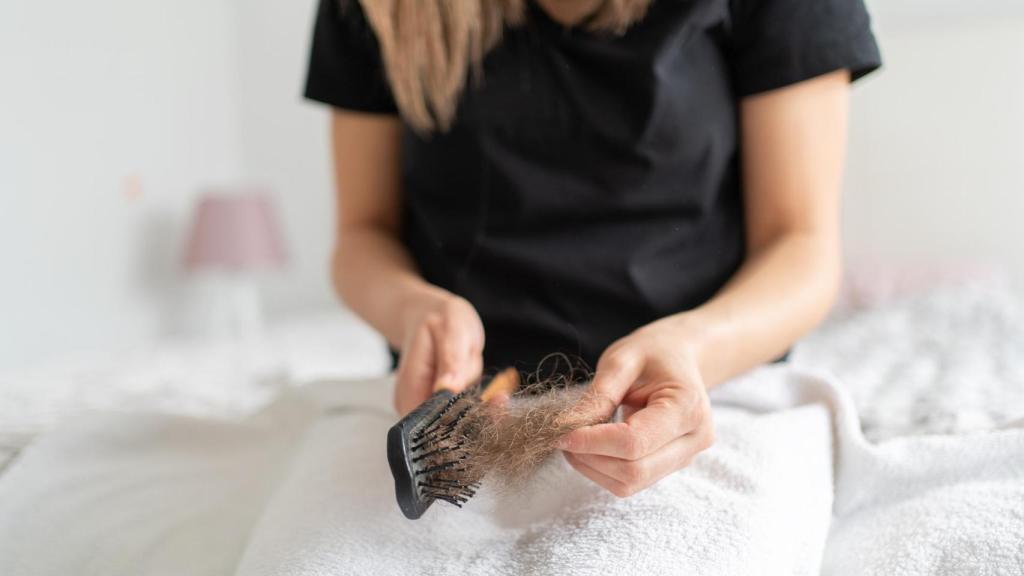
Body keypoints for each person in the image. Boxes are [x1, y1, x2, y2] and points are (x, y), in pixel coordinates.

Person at [304, 0, 881, 497]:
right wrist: (411, 311)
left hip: (707, 396)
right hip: (450, 423)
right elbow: (363, 234)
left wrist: (693, 348)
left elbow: (800, 246)